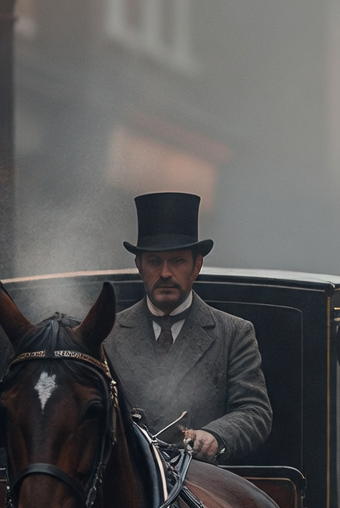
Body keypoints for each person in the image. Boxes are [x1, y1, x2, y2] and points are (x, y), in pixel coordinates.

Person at [102, 191, 271, 462]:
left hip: (203, 486)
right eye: (155, 262)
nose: (166, 273)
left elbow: (254, 411)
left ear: (197, 266)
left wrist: (215, 436)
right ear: (139, 266)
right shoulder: (107, 336)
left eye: (177, 261)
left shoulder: (234, 333)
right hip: (125, 488)